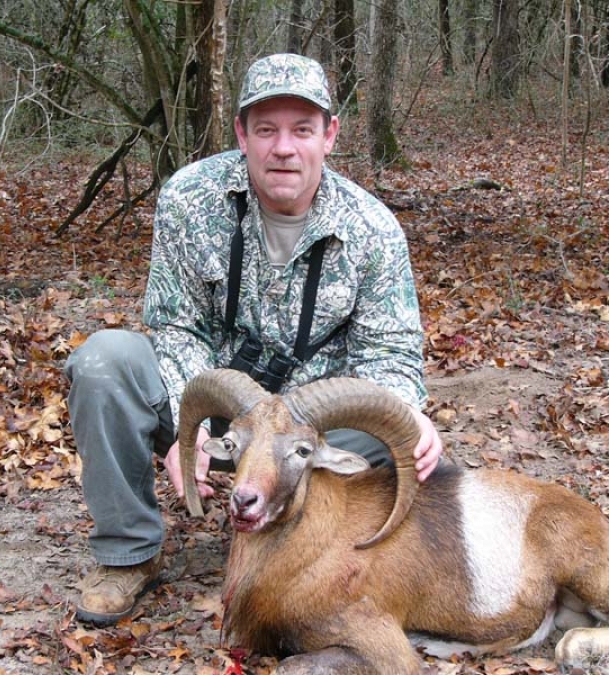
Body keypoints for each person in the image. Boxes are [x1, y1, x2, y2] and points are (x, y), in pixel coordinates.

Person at [64, 53, 443, 626]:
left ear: (330, 135)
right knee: (102, 363)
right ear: (242, 134)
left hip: (312, 433)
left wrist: (407, 411)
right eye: (266, 130)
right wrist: (188, 427)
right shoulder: (190, 200)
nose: (283, 148)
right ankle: (127, 555)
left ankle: (322, 557)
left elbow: (389, 354)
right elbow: (175, 324)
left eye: (302, 130)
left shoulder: (374, 229)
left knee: (415, 447)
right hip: (215, 411)